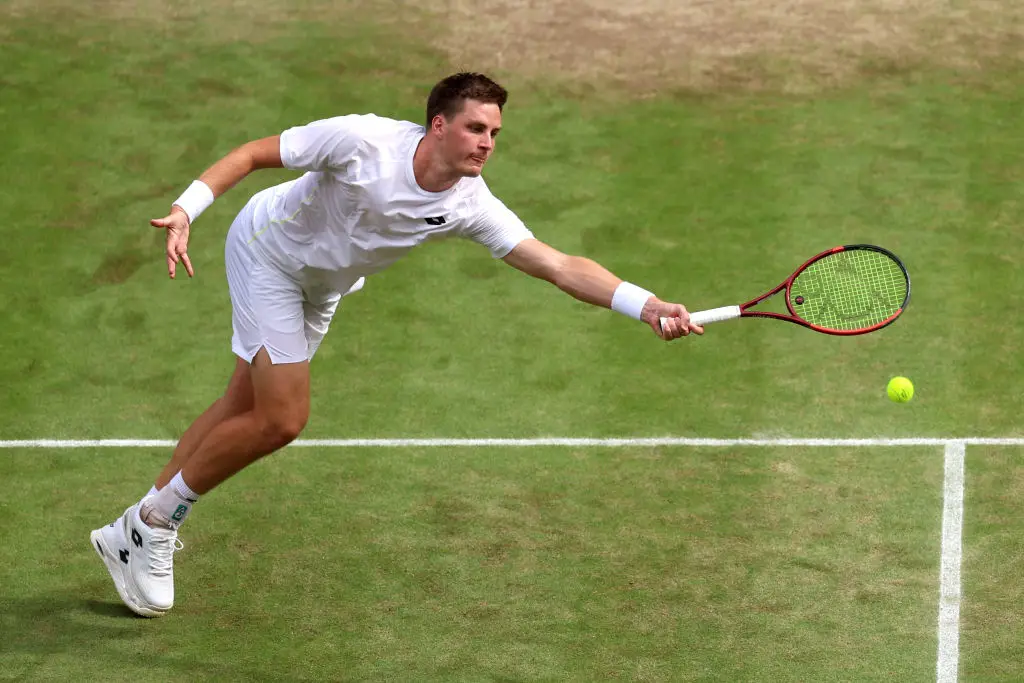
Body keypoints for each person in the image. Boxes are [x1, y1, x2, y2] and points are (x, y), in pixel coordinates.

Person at [89, 72, 703, 618]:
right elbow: (253, 154)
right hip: (268, 253)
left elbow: (558, 264)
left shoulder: (469, 203)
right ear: (439, 125)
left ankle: (134, 530)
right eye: (475, 127)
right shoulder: (361, 141)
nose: (487, 142)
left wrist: (646, 305)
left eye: (495, 132)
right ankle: (151, 523)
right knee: (282, 418)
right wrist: (186, 209)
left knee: (243, 406)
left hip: (324, 283)